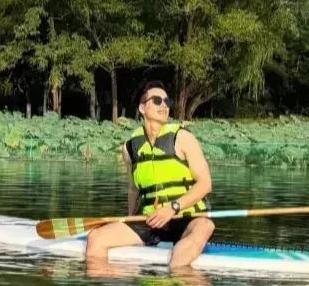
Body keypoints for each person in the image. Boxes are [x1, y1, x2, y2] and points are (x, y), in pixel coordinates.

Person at [86, 80, 215, 271]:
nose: (163, 105)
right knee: (96, 238)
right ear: (142, 108)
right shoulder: (130, 148)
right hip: (150, 220)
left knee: (205, 226)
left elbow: (205, 184)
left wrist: (172, 208)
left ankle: (176, 283)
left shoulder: (183, 139)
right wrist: (130, 218)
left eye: (166, 101)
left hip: (186, 217)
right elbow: (133, 189)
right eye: (156, 100)